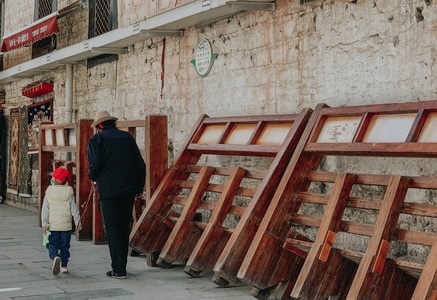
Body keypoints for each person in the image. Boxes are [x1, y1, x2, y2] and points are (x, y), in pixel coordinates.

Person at [87, 111, 146, 279]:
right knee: (123, 226)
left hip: (108, 189)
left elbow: (95, 163)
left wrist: (93, 177)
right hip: (128, 189)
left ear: (99, 126)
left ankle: (118, 269)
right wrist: (138, 187)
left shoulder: (96, 140)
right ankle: (122, 267)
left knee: (112, 228)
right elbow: (140, 165)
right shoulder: (127, 138)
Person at [41, 167, 82, 275]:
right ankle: (64, 266)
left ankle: (55, 257)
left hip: (53, 225)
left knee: (51, 244)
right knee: (65, 246)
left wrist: (44, 224)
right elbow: (74, 209)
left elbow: (45, 209)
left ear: (54, 179)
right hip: (66, 227)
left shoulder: (49, 192)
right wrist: (78, 222)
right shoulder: (69, 192)